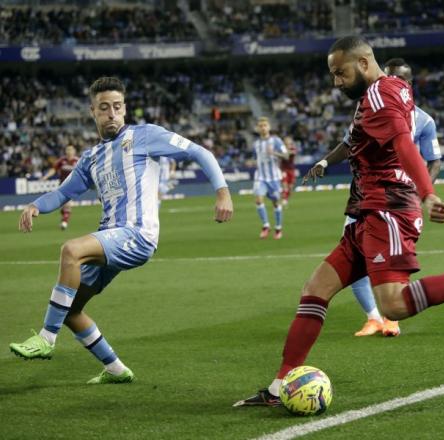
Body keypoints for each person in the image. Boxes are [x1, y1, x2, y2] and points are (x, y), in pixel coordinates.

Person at [233, 37, 444, 407]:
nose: (336, 82)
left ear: (365, 63)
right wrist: (326, 160)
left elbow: (403, 144)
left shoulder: (380, 96)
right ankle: (278, 388)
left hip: (388, 210)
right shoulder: (386, 92)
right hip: (368, 211)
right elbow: (359, 142)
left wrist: (428, 192)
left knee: (395, 306)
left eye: (341, 73)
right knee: (315, 289)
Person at [9, 77, 233, 384]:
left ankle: (46, 339)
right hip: (111, 236)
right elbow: (62, 194)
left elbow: (201, 153)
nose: (111, 113)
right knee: (72, 310)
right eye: (104, 108)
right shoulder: (90, 158)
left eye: (117, 107)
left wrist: (222, 192)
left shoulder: (146, 136)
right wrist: (35, 205)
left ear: (125, 109)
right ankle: (116, 369)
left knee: (71, 250)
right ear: (93, 112)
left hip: (137, 234)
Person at [349, 57, 443, 337]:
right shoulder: (369, 105)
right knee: (356, 257)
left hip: (397, 198)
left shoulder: (424, 120)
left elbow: (433, 160)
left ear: (409, 84)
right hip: (363, 192)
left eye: (399, 78)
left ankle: (390, 317)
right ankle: (373, 317)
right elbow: (348, 142)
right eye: (387, 76)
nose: (390, 82)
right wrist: (326, 163)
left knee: (387, 262)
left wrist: (421, 192)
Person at [253, 117, 288, 239]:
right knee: (258, 199)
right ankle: (266, 226)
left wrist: (274, 153)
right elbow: (255, 158)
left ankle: (278, 228)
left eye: (265, 125)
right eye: (260, 126)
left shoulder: (276, 141)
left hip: (273, 178)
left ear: (269, 127)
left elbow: (286, 155)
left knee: (276, 202)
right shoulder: (256, 144)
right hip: (260, 177)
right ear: (258, 128)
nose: (263, 127)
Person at [41, 145, 79, 230]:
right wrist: (46, 176)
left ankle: (64, 222)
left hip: (73, 186)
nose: (69, 152)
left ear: (74, 152)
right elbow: (54, 169)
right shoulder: (62, 161)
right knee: (63, 204)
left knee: (67, 204)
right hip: (62, 186)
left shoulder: (78, 161)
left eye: (70, 150)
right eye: (67, 150)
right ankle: (64, 217)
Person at [280, 136, 297, 206]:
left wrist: (286, 152)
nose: (288, 144)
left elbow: (292, 153)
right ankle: (284, 199)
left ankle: (285, 198)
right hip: (284, 169)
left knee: (290, 187)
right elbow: (282, 155)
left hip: (291, 170)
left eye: (289, 142)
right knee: (285, 185)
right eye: (286, 142)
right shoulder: (281, 149)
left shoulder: (293, 148)